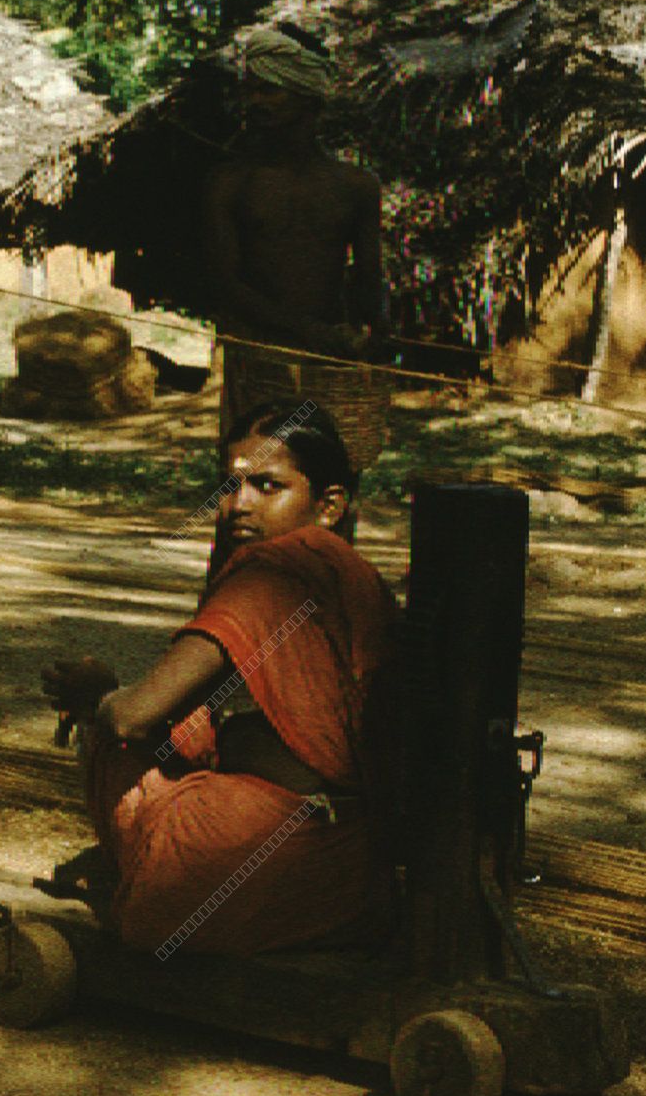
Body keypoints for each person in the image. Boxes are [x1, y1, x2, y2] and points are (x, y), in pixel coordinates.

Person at [41, 399, 400, 956]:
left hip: (280, 846)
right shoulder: (351, 572)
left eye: (267, 486)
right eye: (230, 487)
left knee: (112, 741)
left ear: (328, 505)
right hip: (354, 853)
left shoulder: (277, 570)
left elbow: (136, 717)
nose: (238, 505)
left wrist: (100, 696)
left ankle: (167, 896)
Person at [203, 23, 392, 472]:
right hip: (255, 362)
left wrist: (376, 338)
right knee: (251, 484)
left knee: (327, 483)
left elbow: (368, 279)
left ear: (309, 97)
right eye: (250, 91)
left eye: (271, 91)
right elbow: (225, 284)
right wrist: (310, 332)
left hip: (327, 369)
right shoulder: (229, 183)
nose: (255, 104)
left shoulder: (354, 187)